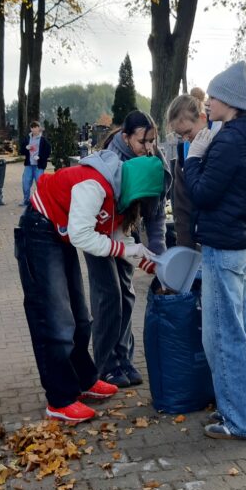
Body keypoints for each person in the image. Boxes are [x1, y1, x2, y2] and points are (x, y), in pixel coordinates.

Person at [15, 151, 164, 423]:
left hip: (60, 235)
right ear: (137, 188)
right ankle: (59, 400)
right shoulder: (95, 185)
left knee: (80, 318)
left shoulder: (118, 193)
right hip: (40, 230)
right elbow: (82, 234)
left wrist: (140, 255)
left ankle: (84, 380)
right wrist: (123, 249)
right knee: (55, 320)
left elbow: (112, 233)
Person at [184, 61, 246, 440]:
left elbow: (204, 192)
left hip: (224, 249)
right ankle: (245, 412)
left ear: (231, 101)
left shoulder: (229, 139)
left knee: (222, 337)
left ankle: (239, 421)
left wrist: (192, 158)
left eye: (213, 97)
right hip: (239, 246)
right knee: (239, 332)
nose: (207, 103)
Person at [85, 111, 171, 388]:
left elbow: (155, 211)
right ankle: (105, 364)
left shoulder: (153, 160)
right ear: (125, 137)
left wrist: (157, 249)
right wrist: (125, 245)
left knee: (126, 296)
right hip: (98, 232)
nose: (148, 148)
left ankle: (123, 358)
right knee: (108, 296)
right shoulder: (110, 162)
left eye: (152, 141)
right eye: (142, 141)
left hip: (126, 233)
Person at [167, 95, 206, 249]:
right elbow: (182, 206)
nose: (185, 138)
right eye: (180, 135)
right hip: (198, 240)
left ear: (202, 118)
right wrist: (184, 247)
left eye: (188, 132)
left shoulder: (221, 146)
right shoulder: (184, 153)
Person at [21, 121, 51, 206]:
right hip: (29, 165)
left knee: (40, 183)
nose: (34, 129)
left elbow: (48, 151)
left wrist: (40, 157)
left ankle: (41, 201)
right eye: (32, 128)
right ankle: (26, 199)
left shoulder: (43, 140)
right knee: (25, 182)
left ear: (39, 128)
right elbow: (21, 150)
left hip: (39, 166)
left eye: (36, 127)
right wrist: (26, 148)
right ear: (31, 129)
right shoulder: (27, 138)